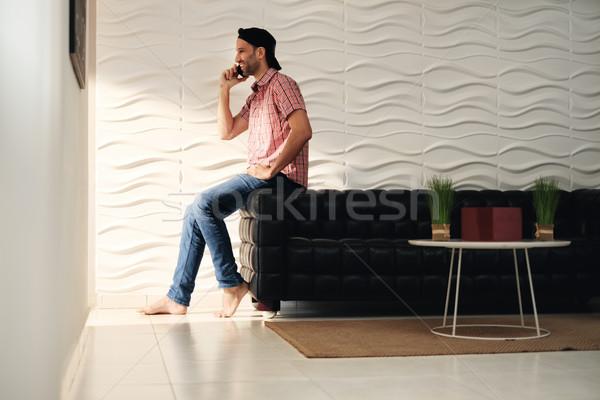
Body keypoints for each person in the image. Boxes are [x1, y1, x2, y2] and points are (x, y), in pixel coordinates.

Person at [138, 27, 312, 318]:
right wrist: (224, 89)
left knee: (204, 202)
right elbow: (227, 131)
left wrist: (272, 170)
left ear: (261, 52)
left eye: (242, 50)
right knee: (194, 211)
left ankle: (231, 284)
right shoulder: (257, 95)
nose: (237, 57)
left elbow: (303, 131)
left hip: (282, 180)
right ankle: (177, 298)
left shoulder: (283, 84)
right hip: (262, 176)